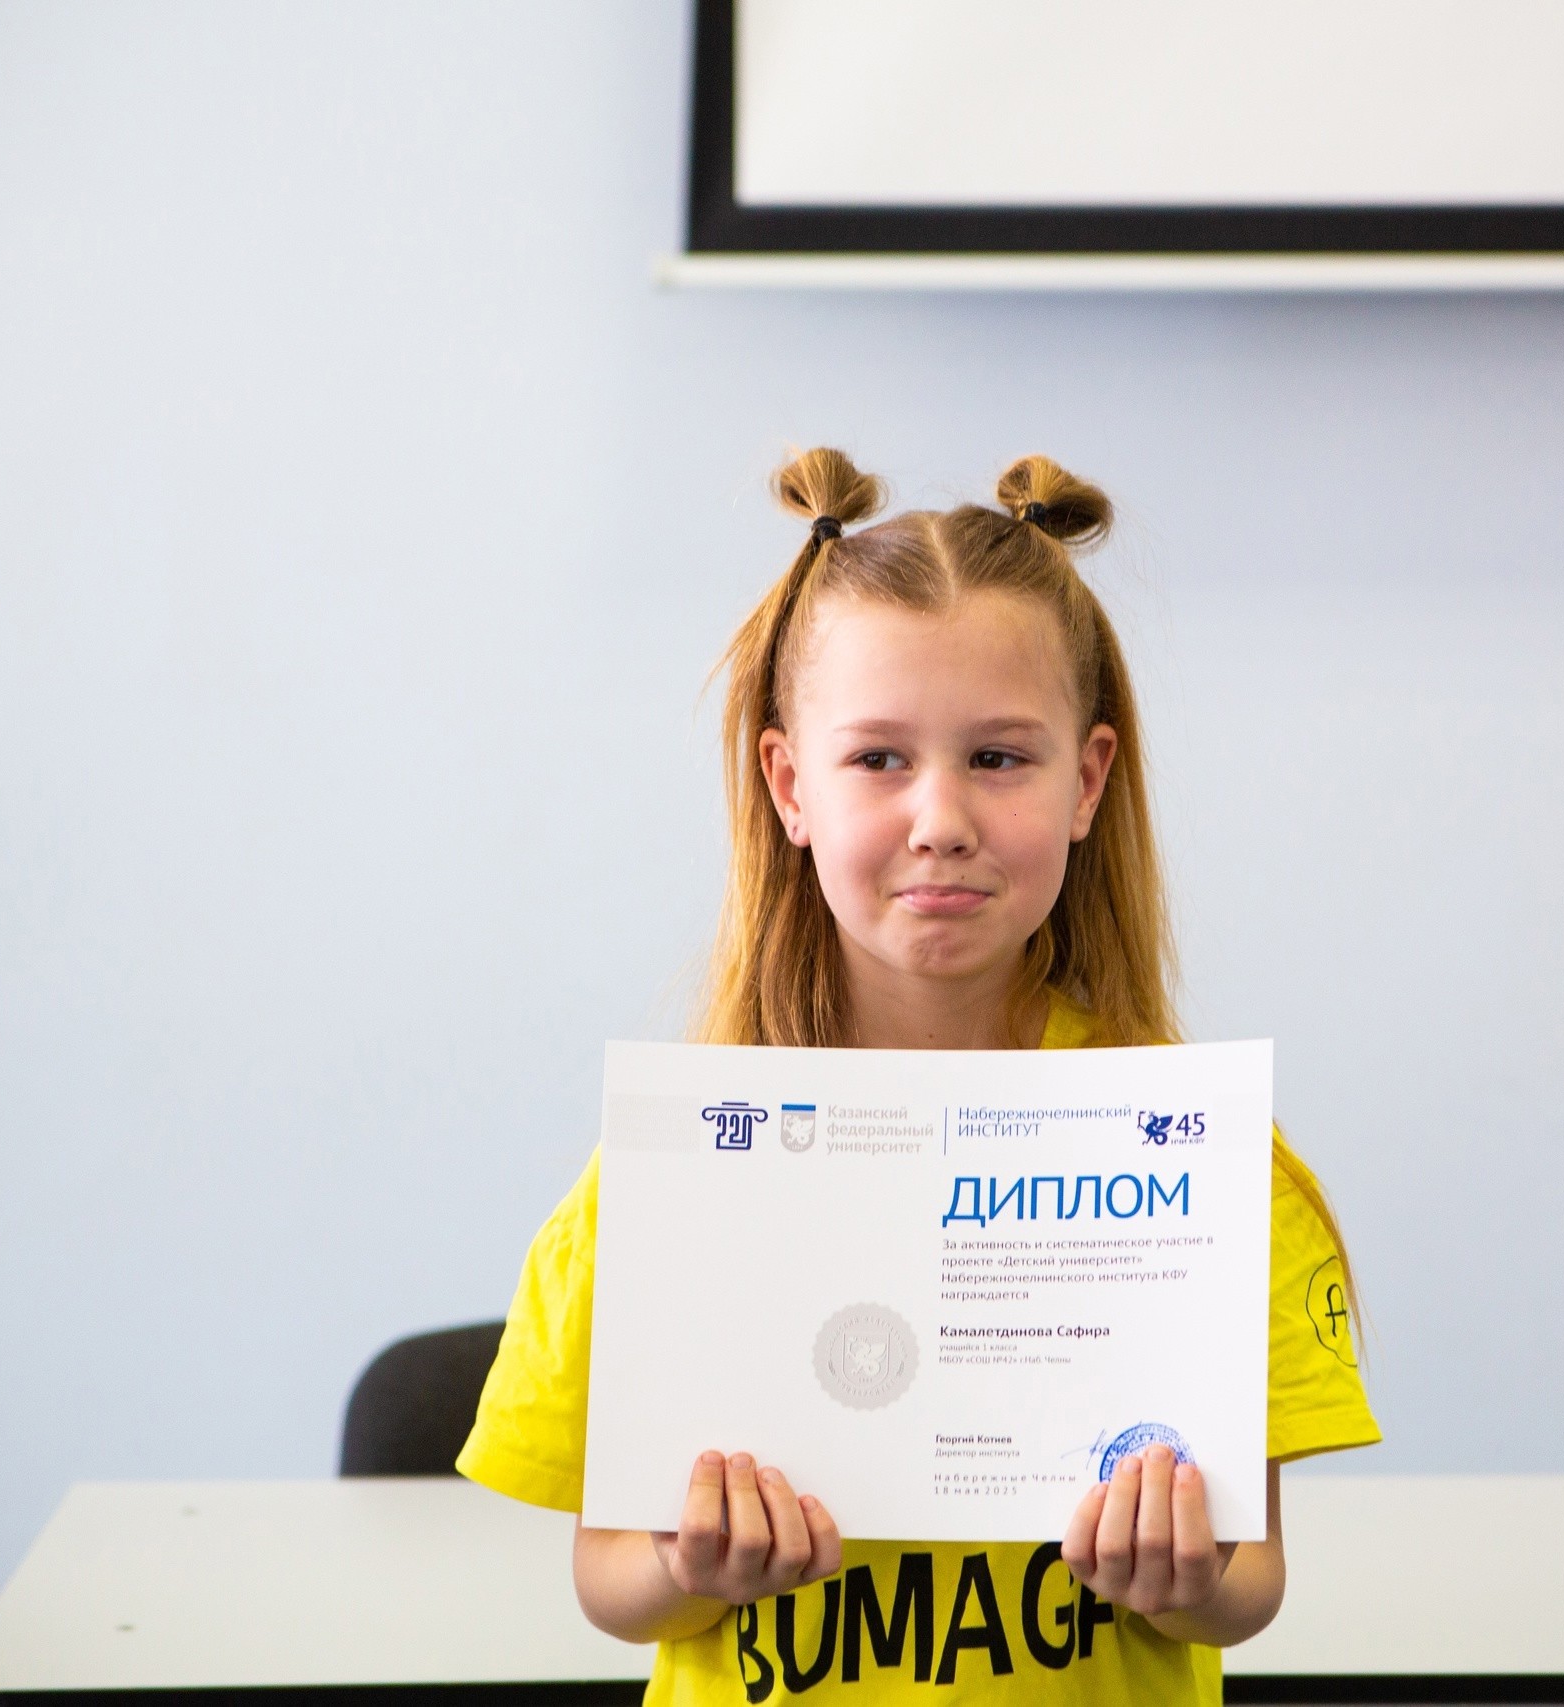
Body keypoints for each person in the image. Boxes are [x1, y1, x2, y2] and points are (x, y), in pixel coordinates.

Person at [457, 449, 1379, 1704]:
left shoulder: (1199, 1166)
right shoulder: (676, 1173)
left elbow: (1249, 1578)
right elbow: (607, 1580)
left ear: (1086, 782)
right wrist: (686, 1565)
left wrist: (1183, 1578)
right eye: (878, 760)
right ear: (790, 786)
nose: (939, 819)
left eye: (998, 759)